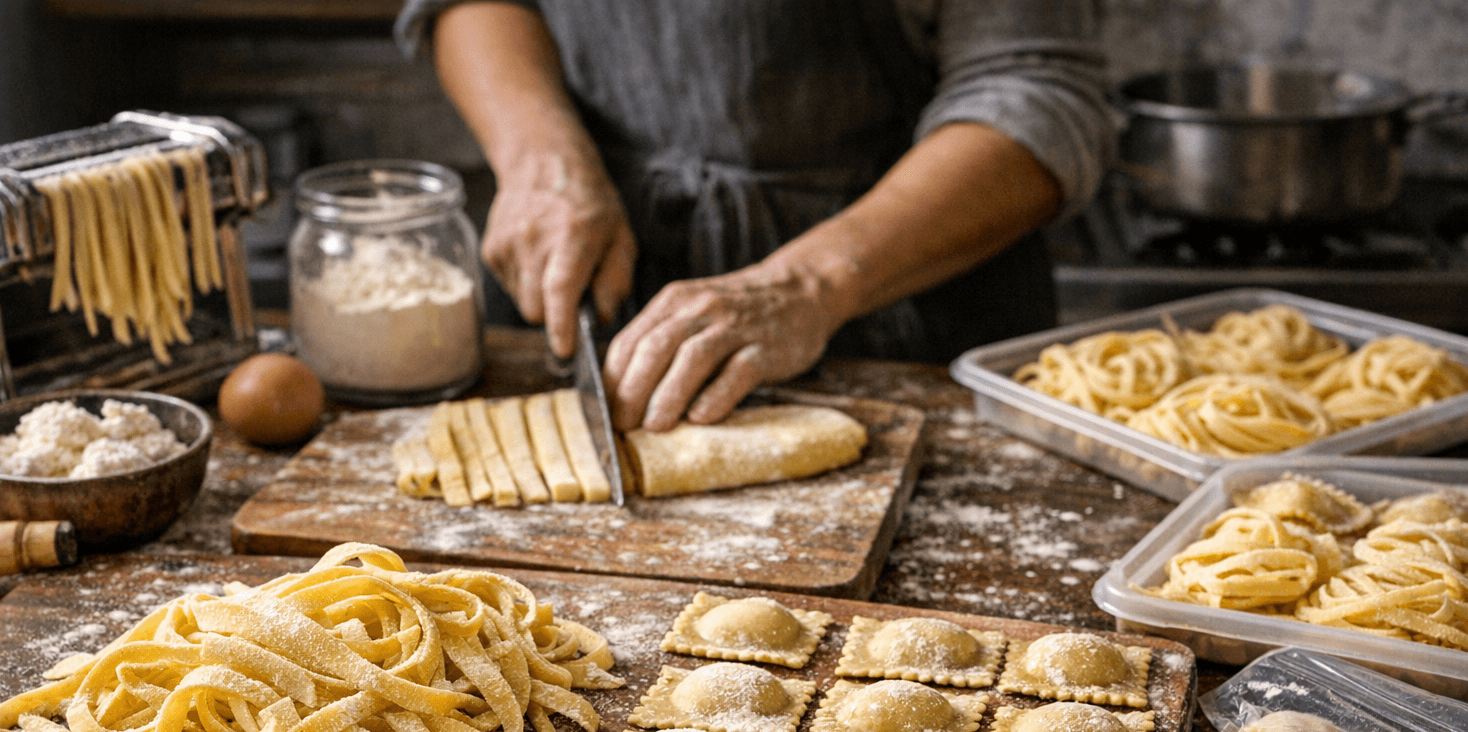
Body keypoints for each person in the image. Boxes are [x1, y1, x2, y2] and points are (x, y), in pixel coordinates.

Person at [396, 1, 1113, 432]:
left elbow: (1036, 94)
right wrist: (539, 155)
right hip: (596, 269)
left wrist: (808, 286)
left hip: (900, 306)